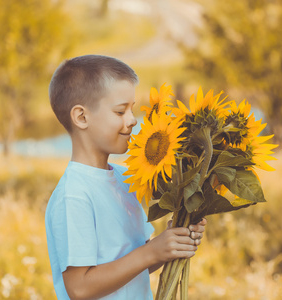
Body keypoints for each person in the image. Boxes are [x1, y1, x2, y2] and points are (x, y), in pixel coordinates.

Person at [45, 54, 207, 300]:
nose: (132, 120)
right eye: (120, 111)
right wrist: (152, 252)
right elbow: (79, 288)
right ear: (81, 117)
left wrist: (171, 242)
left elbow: (136, 264)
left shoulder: (124, 177)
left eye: (131, 109)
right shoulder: (75, 195)